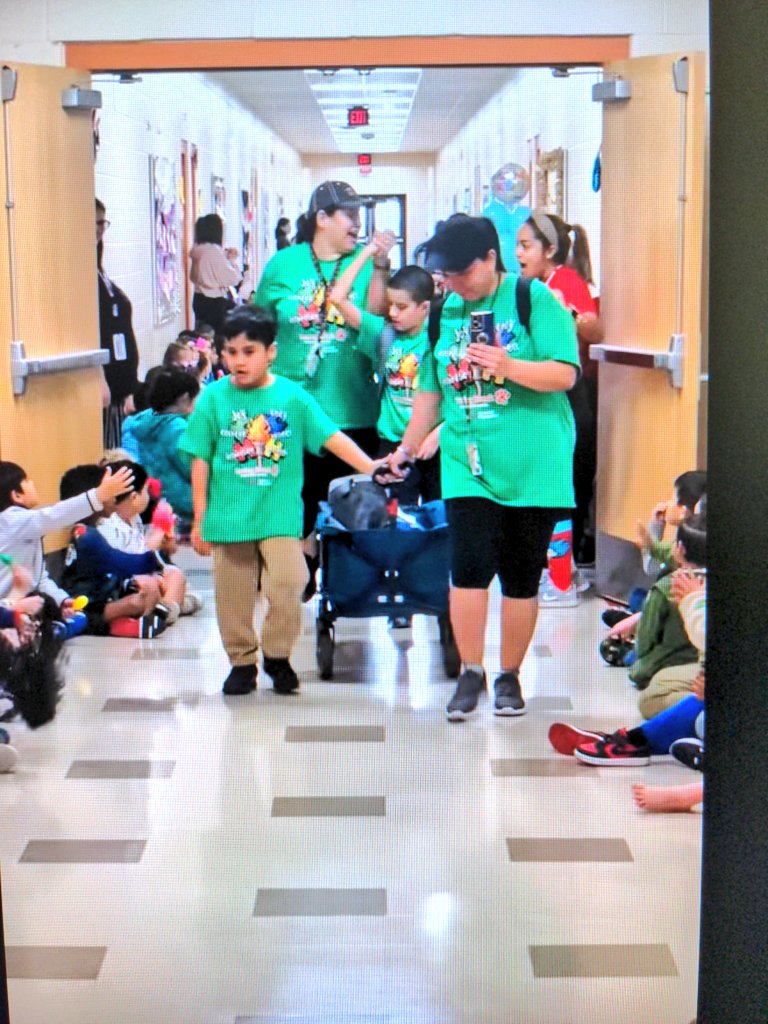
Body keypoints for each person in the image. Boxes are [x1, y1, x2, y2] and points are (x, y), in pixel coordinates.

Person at [381, 216, 580, 722]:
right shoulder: (441, 315)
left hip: (534, 463)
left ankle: (509, 675)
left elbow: (565, 373)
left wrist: (509, 367)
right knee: (466, 570)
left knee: (519, 575)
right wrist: (404, 451)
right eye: (446, 274)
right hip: (468, 462)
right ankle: (471, 671)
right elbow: (431, 392)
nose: (453, 282)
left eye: (462, 271)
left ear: (491, 258)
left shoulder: (533, 301)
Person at [179, 305, 381, 697]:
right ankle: (241, 661)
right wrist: (199, 518)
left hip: (279, 514)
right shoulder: (213, 400)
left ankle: (276, 654)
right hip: (229, 517)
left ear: (271, 351)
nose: (238, 361)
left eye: (248, 351)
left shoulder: (292, 397)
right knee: (233, 594)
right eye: (230, 352)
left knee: (291, 580)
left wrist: (371, 466)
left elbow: (330, 437)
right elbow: (199, 458)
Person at [253, 181, 395, 595]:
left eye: (358, 214)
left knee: (353, 512)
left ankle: (348, 585)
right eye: (348, 215)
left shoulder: (367, 265)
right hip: (292, 414)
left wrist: (381, 266)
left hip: (353, 410)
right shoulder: (283, 265)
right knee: (295, 510)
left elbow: (377, 333)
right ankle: (301, 577)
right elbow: (257, 328)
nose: (357, 224)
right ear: (322, 219)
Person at [516, 211, 603, 568]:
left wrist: (574, 319)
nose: (518, 254)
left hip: (570, 391)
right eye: (517, 246)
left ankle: (567, 552)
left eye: (525, 246)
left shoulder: (565, 281)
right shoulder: (527, 287)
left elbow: (594, 330)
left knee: (571, 473)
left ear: (549, 249)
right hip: (541, 391)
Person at [327, 241, 441, 505]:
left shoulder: (439, 339)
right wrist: (368, 251)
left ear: (424, 307)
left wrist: (439, 433)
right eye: (391, 305)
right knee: (396, 523)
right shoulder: (385, 333)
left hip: (434, 448)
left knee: (441, 524)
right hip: (391, 445)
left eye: (401, 307)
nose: (392, 313)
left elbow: (458, 396)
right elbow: (337, 298)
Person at [0, 460, 134, 617]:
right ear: (16, 495)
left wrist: (62, 599)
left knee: (73, 618)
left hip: (16, 605)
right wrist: (97, 496)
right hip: (6, 607)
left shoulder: (26, 527)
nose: (32, 483)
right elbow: (53, 516)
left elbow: (40, 580)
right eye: (27, 480)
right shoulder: (11, 520)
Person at [60, 465, 171, 638]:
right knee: (134, 603)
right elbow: (119, 562)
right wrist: (154, 560)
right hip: (86, 601)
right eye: (110, 492)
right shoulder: (85, 536)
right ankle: (120, 625)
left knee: (143, 594)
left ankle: (131, 623)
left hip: (104, 592)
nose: (115, 499)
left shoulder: (91, 530)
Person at [96, 460, 200, 623]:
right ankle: (171, 608)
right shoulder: (107, 525)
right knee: (157, 586)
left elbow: (142, 550)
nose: (149, 495)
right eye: (145, 490)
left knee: (175, 574)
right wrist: (158, 533)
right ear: (134, 497)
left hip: (141, 575)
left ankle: (167, 609)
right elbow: (123, 562)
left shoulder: (134, 519)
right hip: (123, 582)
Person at [121, 369, 198, 523]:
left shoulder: (146, 420)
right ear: (184, 398)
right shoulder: (176, 428)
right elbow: (194, 470)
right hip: (187, 505)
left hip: (159, 502)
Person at [96, 199, 142, 448]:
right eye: (95, 222)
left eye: (103, 222)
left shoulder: (100, 271)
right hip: (108, 382)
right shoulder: (84, 274)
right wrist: (100, 377)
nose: (100, 228)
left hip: (120, 382)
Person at [189, 213, 241, 333]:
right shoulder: (213, 251)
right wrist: (232, 260)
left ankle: (201, 351)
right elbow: (233, 278)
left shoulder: (197, 250)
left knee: (202, 335)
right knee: (217, 340)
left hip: (199, 299)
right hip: (214, 302)